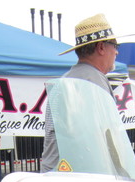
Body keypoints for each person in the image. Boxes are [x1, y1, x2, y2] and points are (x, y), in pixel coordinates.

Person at [40, 13, 125, 173]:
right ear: (101, 47)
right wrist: (123, 173)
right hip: (80, 178)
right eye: (115, 46)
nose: (116, 52)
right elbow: (108, 137)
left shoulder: (66, 79)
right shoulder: (94, 80)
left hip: (55, 174)